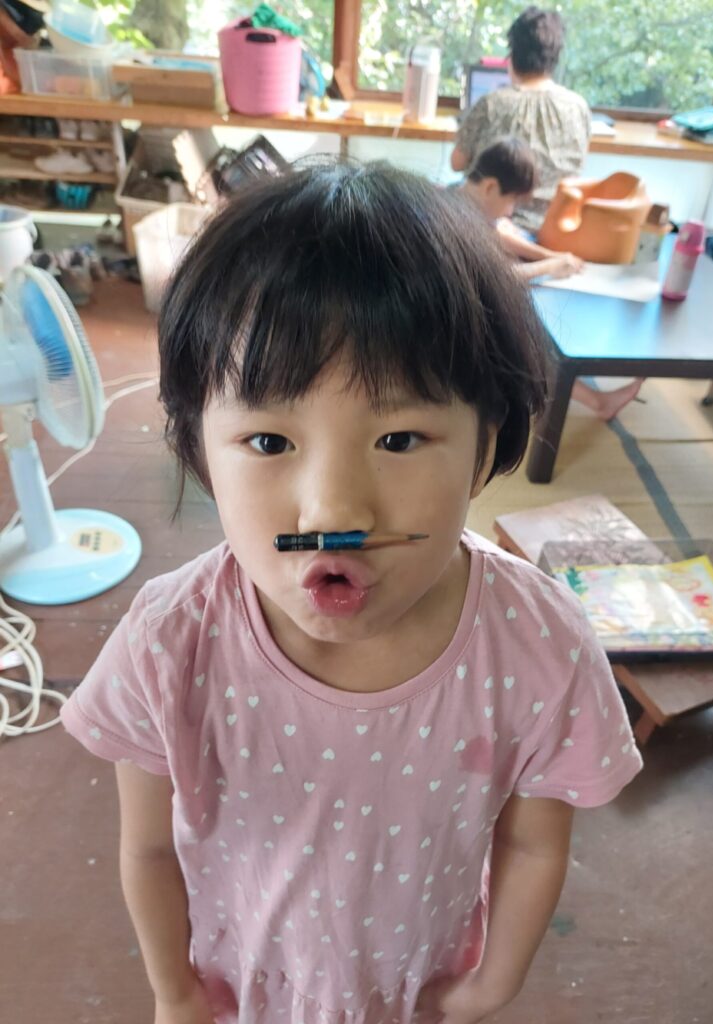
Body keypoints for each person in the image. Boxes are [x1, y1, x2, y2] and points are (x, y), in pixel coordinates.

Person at [59, 161, 643, 1024]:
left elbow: (532, 842)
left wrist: (493, 985)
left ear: (484, 449)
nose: (334, 510)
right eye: (268, 441)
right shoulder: (168, 640)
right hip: (241, 994)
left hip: (419, 993)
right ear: (200, 450)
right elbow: (147, 848)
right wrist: (172, 991)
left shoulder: (539, 645)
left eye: (399, 438)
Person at [459, 138, 645, 420]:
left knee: (527, 326)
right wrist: (548, 266)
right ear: (490, 187)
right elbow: (496, 279)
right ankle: (597, 402)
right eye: (511, 201)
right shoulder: (459, 221)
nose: (510, 211)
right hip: (445, 326)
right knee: (518, 340)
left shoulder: (461, 200)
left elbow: (498, 234)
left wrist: (553, 255)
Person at [452, 6, 591, 238]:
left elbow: (457, 162)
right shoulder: (578, 107)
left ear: (512, 56)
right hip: (556, 231)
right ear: (554, 59)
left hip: (494, 230)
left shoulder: (493, 103)